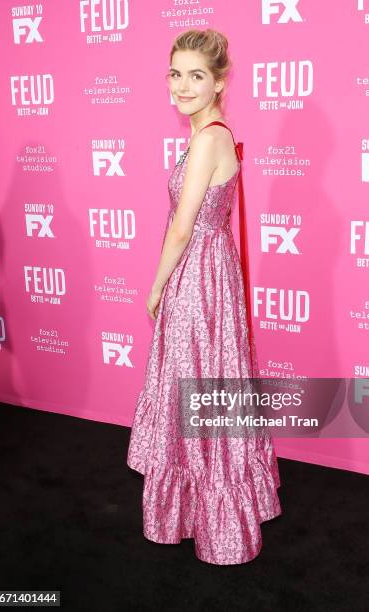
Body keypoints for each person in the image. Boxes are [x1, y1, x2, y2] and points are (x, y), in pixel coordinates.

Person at [127, 28, 282, 565]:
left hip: (197, 277)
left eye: (197, 75)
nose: (183, 85)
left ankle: (213, 520)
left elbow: (180, 229)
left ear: (219, 82)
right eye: (176, 73)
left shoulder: (209, 138)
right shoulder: (212, 135)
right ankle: (205, 509)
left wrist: (155, 286)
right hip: (212, 274)